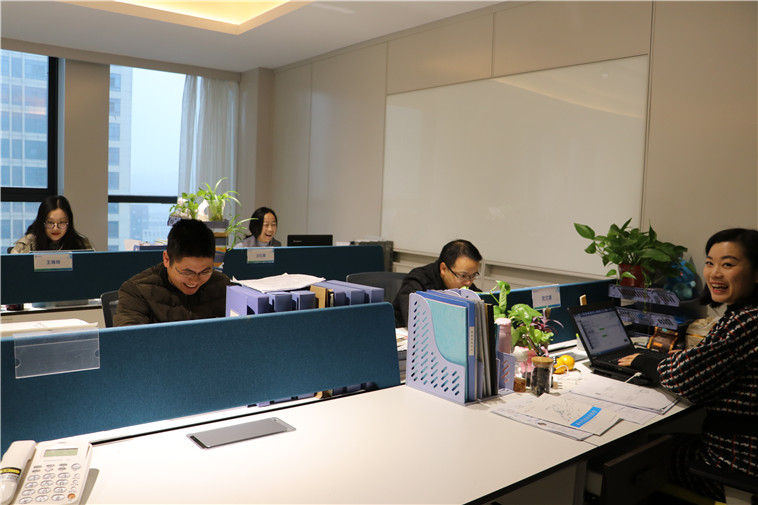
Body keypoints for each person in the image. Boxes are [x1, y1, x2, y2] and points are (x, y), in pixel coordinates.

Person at [618, 228, 758, 501]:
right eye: (710, 263)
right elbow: (709, 359)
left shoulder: (747, 321)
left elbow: (685, 377)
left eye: (728, 264)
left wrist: (644, 360)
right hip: (741, 448)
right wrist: (681, 359)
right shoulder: (745, 316)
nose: (714, 273)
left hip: (736, 463)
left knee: (638, 453)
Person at [114, 219, 231, 326]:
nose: (195, 280)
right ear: (166, 259)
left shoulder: (223, 286)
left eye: (205, 272)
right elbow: (129, 338)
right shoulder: (137, 291)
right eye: (187, 272)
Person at [393, 239, 482, 327]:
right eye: (463, 275)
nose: (468, 282)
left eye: (473, 275)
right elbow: (416, 320)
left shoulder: (464, 284)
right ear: (443, 269)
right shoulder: (417, 280)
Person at [10, 195, 92, 253]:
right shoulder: (25, 245)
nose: (55, 228)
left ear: (69, 223)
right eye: (50, 222)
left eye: (62, 222)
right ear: (41, 222)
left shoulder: (82, 244)